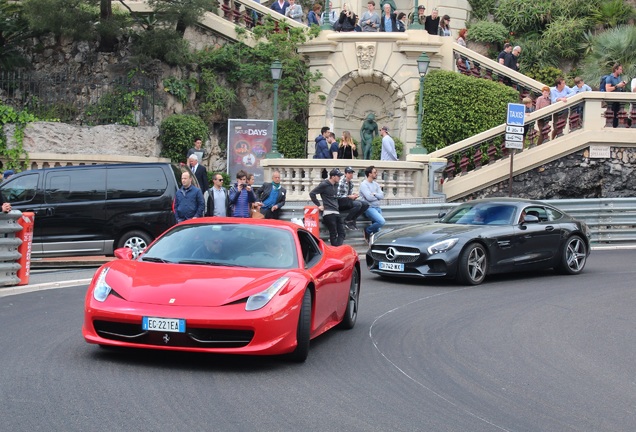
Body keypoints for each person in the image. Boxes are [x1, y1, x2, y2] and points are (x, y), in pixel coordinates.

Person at [309, 168, 346, 246]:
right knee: (334, 233)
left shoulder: (336, 185)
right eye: (338, 176)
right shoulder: (324, 184)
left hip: (336, 211)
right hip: (328, 212)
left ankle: (337, 248)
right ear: (333, 177)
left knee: (342, 233)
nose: (340, 178)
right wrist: (318, 205)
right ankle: (335, 250)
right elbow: (312, 193)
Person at [359, 165, 385, 243]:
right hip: (369, 207)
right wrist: (377, 196)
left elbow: (382, 196)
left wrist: (374, 194)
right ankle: (367, 230)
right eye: (374, 172)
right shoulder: (364, 184)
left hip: (377, 207)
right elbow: (369, 198)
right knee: (381, 222)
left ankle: (374, 245)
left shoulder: (376, 184)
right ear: (369, 174)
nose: (376, 174)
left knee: (377, 231)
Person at [605, 63, 627, 128]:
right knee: (612, 114)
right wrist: (617, 86)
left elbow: (619, 87)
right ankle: (610, 126)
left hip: (618, 99)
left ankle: (615, 126)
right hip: (612, 100)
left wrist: (622, 85)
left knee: (617, 114)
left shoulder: (619, 77)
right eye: (620, 69)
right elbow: (608, 89)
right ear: (615, 69)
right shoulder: (609, 78)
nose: (621, 71)